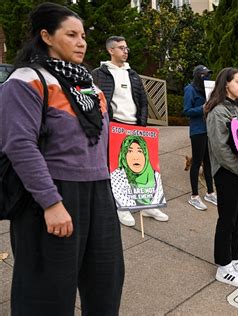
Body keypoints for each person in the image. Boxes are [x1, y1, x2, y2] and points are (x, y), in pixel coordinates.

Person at [0, 3, 124, 314]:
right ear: (47, 36)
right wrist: (51, 204)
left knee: (106, 283)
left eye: (83, 35)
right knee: (47, 291)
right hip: (51, 194)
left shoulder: (89, 84)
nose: (81, 42)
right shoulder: (26, 80)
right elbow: (19, 145)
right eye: (71, 34)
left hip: (99, 192)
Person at [92, 35, 168, 226]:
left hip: (136, 127)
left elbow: (143, 101)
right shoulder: (99, 74)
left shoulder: (132, 73)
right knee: (119, 168)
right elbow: (96, 101)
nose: (126, 51)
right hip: (115, 126)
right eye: (121, 48)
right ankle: (122, 207)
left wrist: (142, 124)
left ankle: (148, 204)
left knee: (143, 166)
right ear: (111, 50)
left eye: (126, 48)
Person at [205, 67, 238, 288]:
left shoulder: (235, 110)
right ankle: (223, 266)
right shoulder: (218, 112)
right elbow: (220, 150)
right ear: (226, 84)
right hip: (227, 173)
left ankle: (234, 259)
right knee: (227, 220)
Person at [183, 65, 217, 210]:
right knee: (197, 162)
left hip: (209, 129)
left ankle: (210, 192)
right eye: (203, 75)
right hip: (198, 131)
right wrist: (202, 108)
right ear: (197, 75)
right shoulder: (190, 89)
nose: (206, 77)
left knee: (209, 162)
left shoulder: (209, 90)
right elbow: (187, 111)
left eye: (208, 74)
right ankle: (194, 196)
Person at [111, 135, 166, 209]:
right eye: (129, 151)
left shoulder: (155, 176)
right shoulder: (117, 176)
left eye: (140, 151)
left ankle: (149, 207)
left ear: (145, 154)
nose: (135, 157)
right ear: (124, 155)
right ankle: (123, 210)